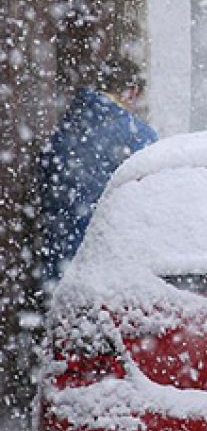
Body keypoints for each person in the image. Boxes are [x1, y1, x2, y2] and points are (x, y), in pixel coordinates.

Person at [38, 58, 157, 287]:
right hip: (110, 264)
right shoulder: (137, 136)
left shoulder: (66, 126)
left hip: (58, 256)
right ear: (131, 92)